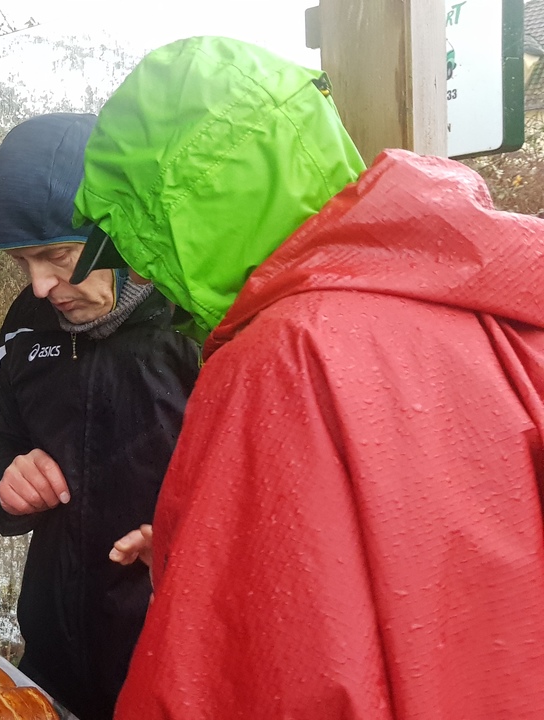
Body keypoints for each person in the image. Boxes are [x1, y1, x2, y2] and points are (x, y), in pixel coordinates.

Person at [72, 36, 544, 718]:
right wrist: (201, 551)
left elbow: (251, 679)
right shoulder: (498, 297)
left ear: (187, 219)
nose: (144, 271)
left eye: (141, 241)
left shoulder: (281, 357)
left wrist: (211, 584)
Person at [0, 113, 199, 720]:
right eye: (22, 263)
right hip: (53, 660)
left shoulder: (196, 324)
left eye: (57, 256)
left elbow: (268, 486)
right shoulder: (27, 324)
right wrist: (7, 478)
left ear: (119, 233)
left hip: (171, 663)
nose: (40, 286)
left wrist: (190, 543)